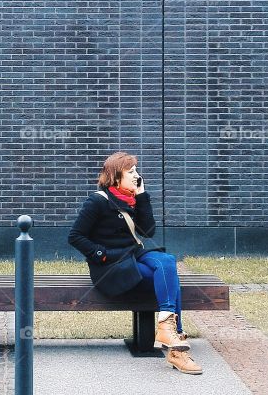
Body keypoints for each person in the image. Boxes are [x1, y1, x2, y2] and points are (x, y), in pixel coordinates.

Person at [67, 151, 203, 375]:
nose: (137, 176)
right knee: (171, 279)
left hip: (134, 254)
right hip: (111, 265)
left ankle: (168, 332)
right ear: (115, 176)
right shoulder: (97, 202)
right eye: (131, 172)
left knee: (167, 262)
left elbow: (148, 232)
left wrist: (142, 196)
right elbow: (75, 236)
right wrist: (102, 254)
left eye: (136, 171)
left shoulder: (133, 199)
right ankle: (176, 348)